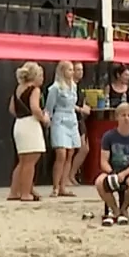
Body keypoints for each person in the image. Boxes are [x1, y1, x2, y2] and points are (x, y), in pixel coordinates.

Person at [93, 103, 129, 227]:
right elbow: (103, 161)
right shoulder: (108, 136)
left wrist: (124, 174)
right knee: (99, 182)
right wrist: (112, 173)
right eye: (123, 115)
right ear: (117, 117)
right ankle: (115, 210)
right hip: (113, 170)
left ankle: (124, 208)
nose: (126, 118)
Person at [8, 62, 49, 202]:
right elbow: (35, 108)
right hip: (30, 124)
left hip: (19, 124)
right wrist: (44, 119)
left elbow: (12, 109)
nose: (42, 78)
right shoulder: (34, 90)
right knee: (31, 161)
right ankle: (26, 193)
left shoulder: (18, 89)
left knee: (22, 161)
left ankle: (14, 191)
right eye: (41, 75)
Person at [46, 60, 83, 198]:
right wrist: (47, 120)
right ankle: (55, 186)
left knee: (70, 153)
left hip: (72, 120)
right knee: (61, 153)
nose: (72, 72)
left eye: (73, 70)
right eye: (69, 70)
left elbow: (73, 104)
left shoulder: (73, 86)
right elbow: (49, 107)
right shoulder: (55, 88)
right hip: (59, 119)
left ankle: (63, 186)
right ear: (62, 71)